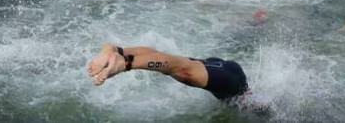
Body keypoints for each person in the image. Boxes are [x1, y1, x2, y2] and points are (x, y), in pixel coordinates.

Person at [87, 43, 249, 103]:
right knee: (179, 68)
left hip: (221, 68)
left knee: (177, 64)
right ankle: (125, 62)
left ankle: (118, 51)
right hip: (232, 84)